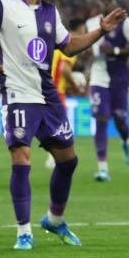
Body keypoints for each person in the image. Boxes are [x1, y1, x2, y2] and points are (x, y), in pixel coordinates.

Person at [0, 0, 127, 251]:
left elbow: (70, 46)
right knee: (21, 157)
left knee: (69, 161)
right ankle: (24, 231)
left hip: (47, 95)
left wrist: (101, 30)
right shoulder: (2, 7)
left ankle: (54, 219)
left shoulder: (50, 12)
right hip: (15, 93)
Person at [86, 0, 129, 182]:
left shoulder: (126, 23)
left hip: (119, 79)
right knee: (101, 118)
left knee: (119, 120)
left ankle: (125, 140)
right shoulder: (92, 23)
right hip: (99, 77)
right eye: (104, 2)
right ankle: (103, 168)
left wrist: (116, 51)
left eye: (110, 2)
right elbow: (89, 48)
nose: (107, 4)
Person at [44, 18, 87, 169]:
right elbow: (64, 69)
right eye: (84, 29)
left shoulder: (58, 39)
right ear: (79, 29)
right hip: (55, 91)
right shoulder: (70, 42)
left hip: (45, 86)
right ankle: (53, 157)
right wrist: (75, 85)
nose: (85, 33)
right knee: (61, 126)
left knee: (50, 124)